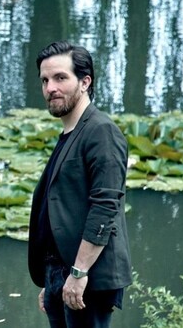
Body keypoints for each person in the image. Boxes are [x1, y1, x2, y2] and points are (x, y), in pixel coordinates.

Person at [28, 41, 132, 328]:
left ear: (85, 81)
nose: (50, 88)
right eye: (45, 80)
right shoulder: (70, 132)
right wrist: (51, 279)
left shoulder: (101, 132)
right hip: (60, 272)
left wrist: (77, 272)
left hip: (86, 278)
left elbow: (105, 207)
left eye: (61, 78)